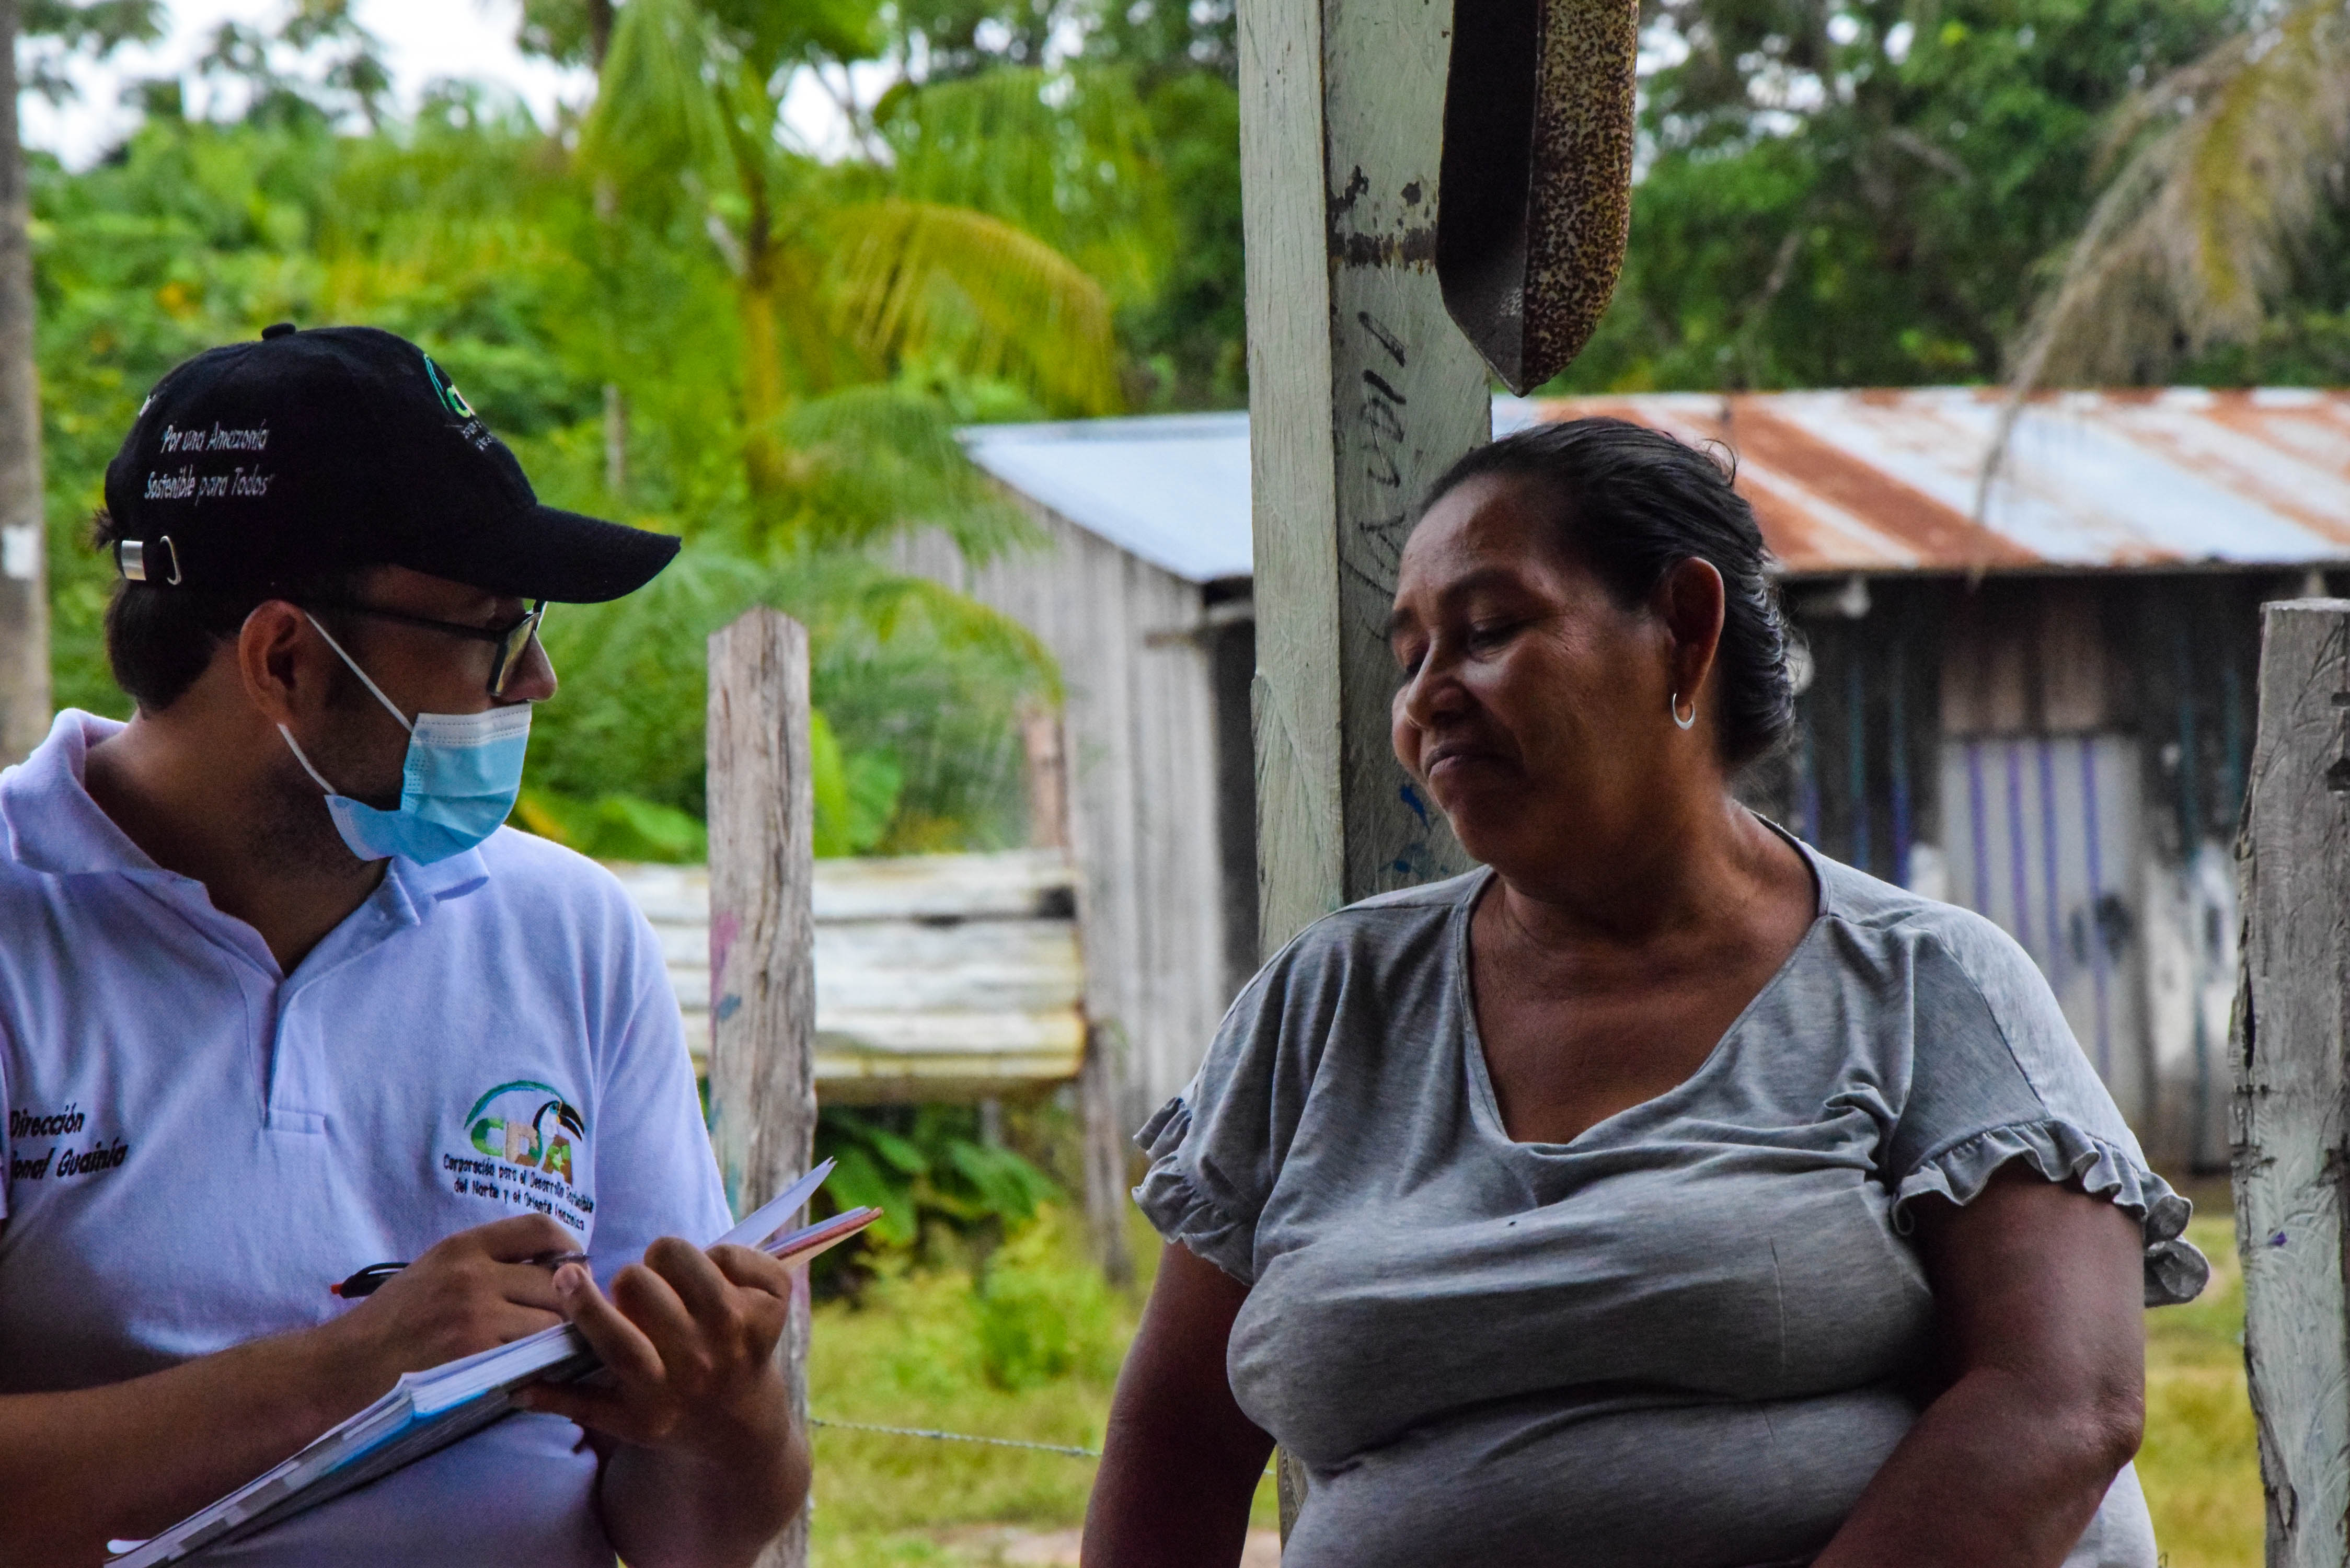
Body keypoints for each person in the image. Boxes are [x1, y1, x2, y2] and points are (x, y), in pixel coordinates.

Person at [1082, 418, 2210, 1568]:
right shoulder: (1328, 1005)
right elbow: (1174, 1442)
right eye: (1409, 656)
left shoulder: (1921, 982)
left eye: (1486, 632)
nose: (1429, 699)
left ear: (1684, 626)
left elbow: (2059, 1407)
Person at [0, 325, 808, 1567]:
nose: (534, 679)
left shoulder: (565, 934)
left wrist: (723, 1418)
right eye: (491, 630)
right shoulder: (21, 927)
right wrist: (359, 1368)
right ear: (286, 660)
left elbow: (688, 1533)